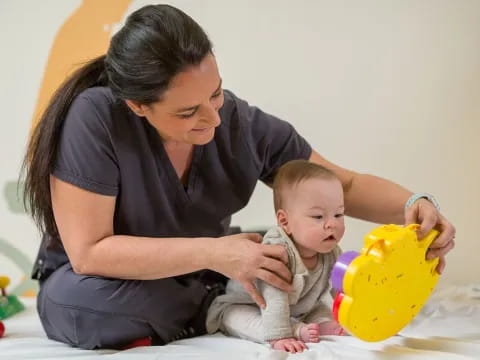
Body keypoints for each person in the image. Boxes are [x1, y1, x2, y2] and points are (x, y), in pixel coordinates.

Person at [22, 4, 455, 350]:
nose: (212, 118)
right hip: (107, 282)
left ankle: (225, 301)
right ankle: (222, 303)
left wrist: (413, 206)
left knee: (284, 253)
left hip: (206, 272)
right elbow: (90, 253)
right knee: (85, 306)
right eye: (188, 112)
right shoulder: (96, 117)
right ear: (138, 106)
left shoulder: (240, 124)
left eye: (215, 93)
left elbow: (344, 186)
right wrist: (218, 254)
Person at [207, 160, 347, 353]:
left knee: (320, 308)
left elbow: (338, 289)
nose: (332, 224)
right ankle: (295, 329)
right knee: (241, 320)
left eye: (339, 214)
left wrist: (342, 315)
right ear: (285, 221)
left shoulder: (330, 251)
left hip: (298, 308)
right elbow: (274, 297)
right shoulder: (278, 250)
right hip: (250, 305)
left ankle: (318, 325)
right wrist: (281, 335)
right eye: (318, 217)